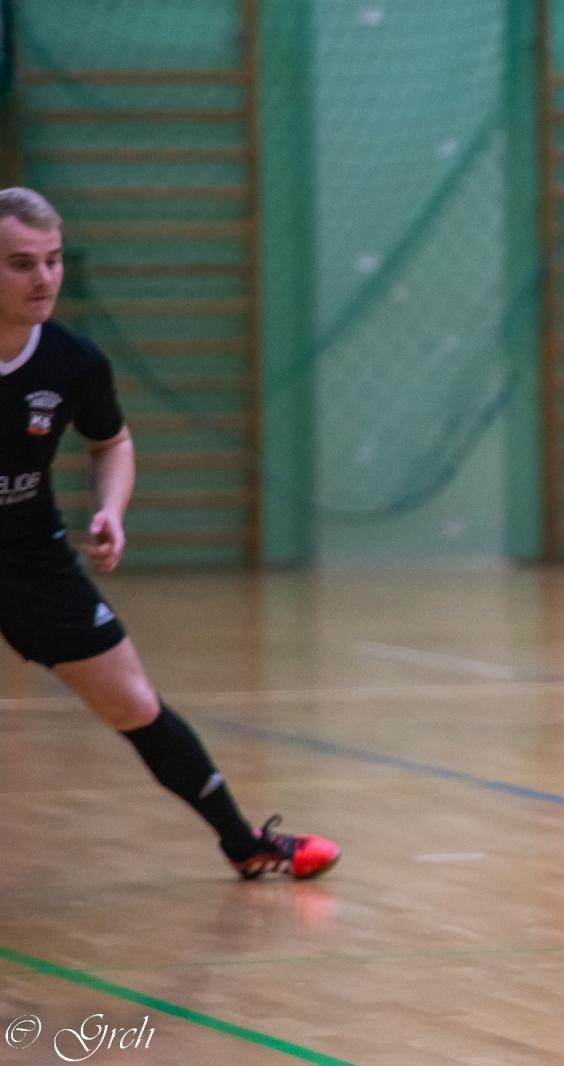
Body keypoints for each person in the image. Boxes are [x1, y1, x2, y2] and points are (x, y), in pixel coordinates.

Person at [0, 187, 339, 880]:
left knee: (131, 702)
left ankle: (244, 843)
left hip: (28, 554)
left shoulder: (73, 361)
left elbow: (111, 442)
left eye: (53, 260)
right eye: (21, 264)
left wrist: (112, 509)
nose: (44, 278)